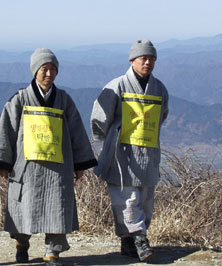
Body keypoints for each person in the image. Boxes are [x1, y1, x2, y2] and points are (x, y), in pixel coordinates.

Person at [0, 48, 97, 266]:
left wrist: (80, 163)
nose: (49, 74)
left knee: (58, 206)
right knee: (24, 208)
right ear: (35, 71)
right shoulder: (20, 99)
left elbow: (76, 131)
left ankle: (53, 251)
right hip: (27, 166)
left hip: (58, 166)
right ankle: (22, 242)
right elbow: (6, 130)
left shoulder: (64, 100)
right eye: (44, 69)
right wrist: (2, 162)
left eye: (53, 69)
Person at [91, 40, 169, 262]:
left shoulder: (159, 88)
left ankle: (128, 240)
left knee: (145, 199)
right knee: (127, 199)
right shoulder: (117, 85)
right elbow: (100, 116)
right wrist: (108, 140)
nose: (148, 62)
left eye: (152, 58)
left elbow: (162, 115)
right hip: (121, 154)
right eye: (143, 58)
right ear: (132, 60)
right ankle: (140, 238)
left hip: (147, 153)